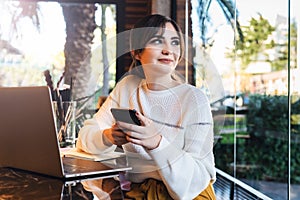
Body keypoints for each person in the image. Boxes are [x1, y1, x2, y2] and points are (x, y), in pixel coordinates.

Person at [77, 14, 216, 199]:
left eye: (175, 42)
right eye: (158, 41)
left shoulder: (194, 99)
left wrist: (157, 143)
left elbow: (199, 177)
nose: (169, 50)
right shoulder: (127, 88)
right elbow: (85, 139)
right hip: (137, 193)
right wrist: (108, 136)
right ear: (136, 52)